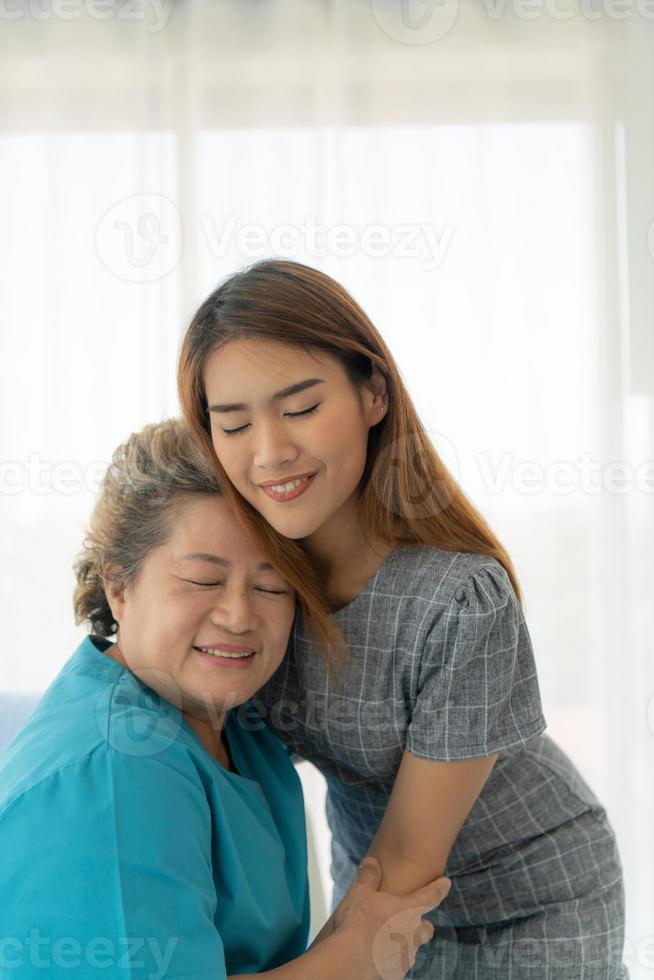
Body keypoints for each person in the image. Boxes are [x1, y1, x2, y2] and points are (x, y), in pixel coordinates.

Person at [178, 258, 629, 979]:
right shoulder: (251, 587)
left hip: (532, 900)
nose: (269, 453)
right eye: (233, 424)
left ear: (374, 394)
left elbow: (411, 860)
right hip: (370, 879)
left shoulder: (461, 602)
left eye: (299, 409)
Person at [0, 418, 451, 980]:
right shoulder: (117, 770)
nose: (240, 617)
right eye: (203, 580)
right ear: (118, 587)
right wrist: (354, 955)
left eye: (271, 587)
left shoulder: (239, 724)